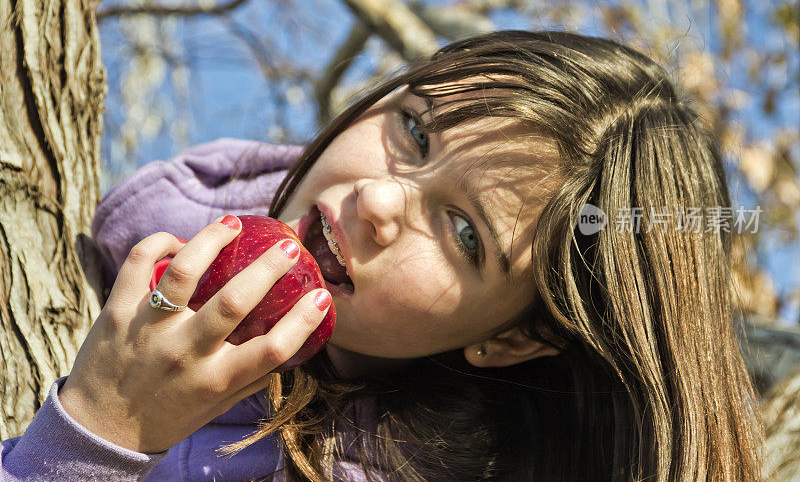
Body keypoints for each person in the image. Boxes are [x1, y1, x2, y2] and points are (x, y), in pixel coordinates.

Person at [1, 30, 764, 481]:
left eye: (465, 233)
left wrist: (103, 431)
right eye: (415, 133)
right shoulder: (184, 208)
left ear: (510, 339)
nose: (379, 201)